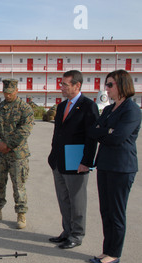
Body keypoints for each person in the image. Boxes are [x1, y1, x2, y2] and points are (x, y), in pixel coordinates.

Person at [88, 70, 141, 263]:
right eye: (106, 85)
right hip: (105, 165)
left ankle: (114, 253)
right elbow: (93, 131)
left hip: (122, 168)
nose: (106, 89)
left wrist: (107, 132)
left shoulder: (131, 110)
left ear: (122, 85)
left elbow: (118, 138)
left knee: (116, 212)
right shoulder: (110, 110)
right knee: (106, 210)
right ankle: (107, 249)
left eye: (110, 85)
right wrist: (107, 131)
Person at [48, 70, 99, 249]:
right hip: (59, 161)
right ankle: (67, 231)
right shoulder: (62, 106)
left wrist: (87, 162)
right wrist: (52, 157)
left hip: (77, 162)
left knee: (77, 200)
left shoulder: (88, 106)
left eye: (65, 84)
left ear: (77, 85)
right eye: (61, 84)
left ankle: (77, 235)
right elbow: (57, 134)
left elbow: (91, 137)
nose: (61, 87)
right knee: (63, 198)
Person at [0, 79, 34, 229]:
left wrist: (8, 145)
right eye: (5, 92)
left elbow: (25, 130)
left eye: (10, 93)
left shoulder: (25, 109)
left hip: (17, 154)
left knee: (18, 185)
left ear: (16, 91)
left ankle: (21, 213)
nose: (7, 95)